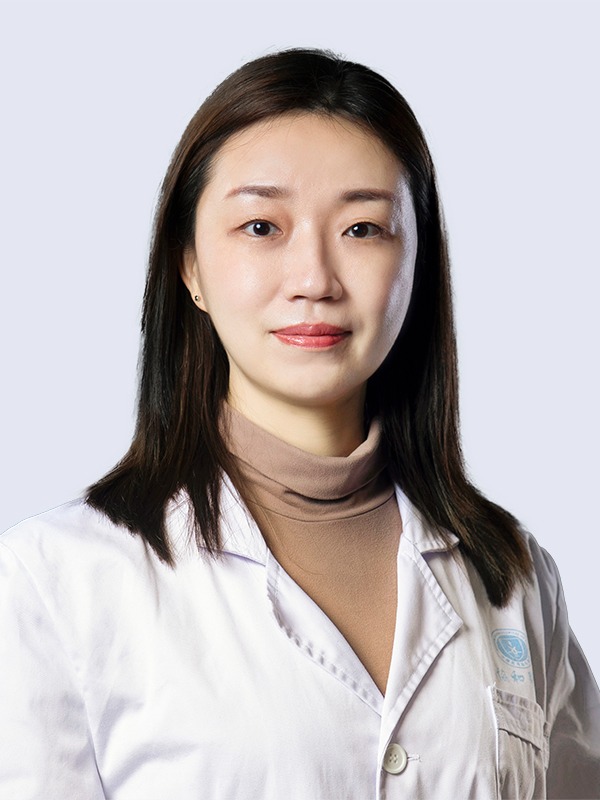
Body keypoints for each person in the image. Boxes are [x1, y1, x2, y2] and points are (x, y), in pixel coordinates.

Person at [0, 48, 598, 800]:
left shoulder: (512, 575)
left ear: (418, 261)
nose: (314, 279)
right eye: (261, 226)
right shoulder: (56, 581)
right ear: (190, 267)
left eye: (363, 229)